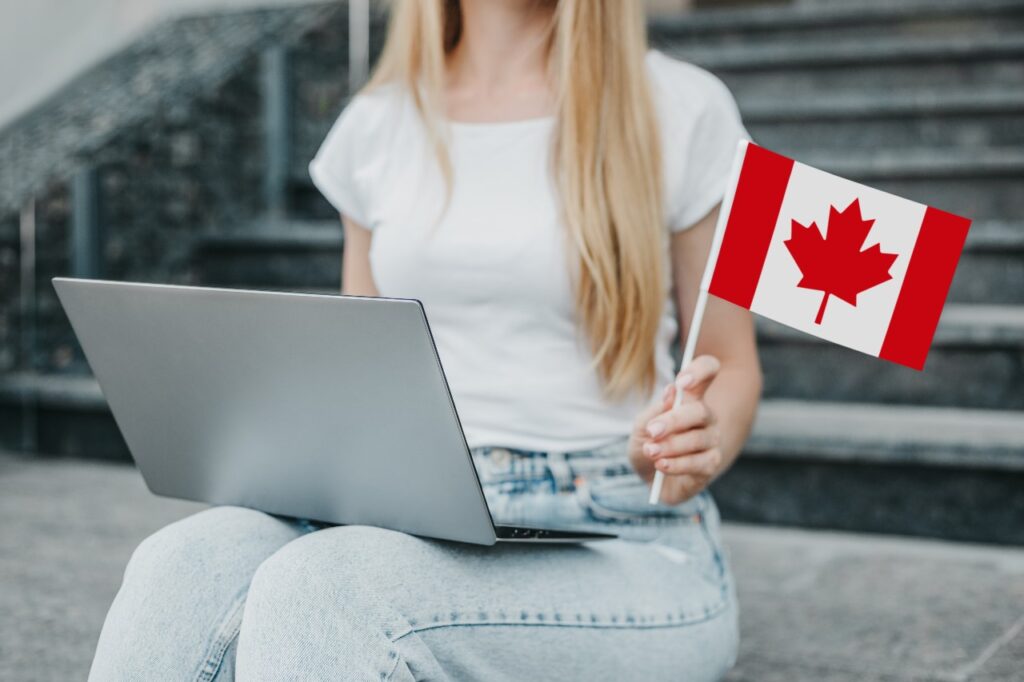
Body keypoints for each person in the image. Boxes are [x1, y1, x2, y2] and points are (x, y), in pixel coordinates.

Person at [88, 0, 761, 679]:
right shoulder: (377, 122)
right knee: (179, 563)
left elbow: (730, 364)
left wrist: (692, 442)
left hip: (622, 528)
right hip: (408, 511)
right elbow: (363, 365)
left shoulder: (683, 106)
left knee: (329, 589)